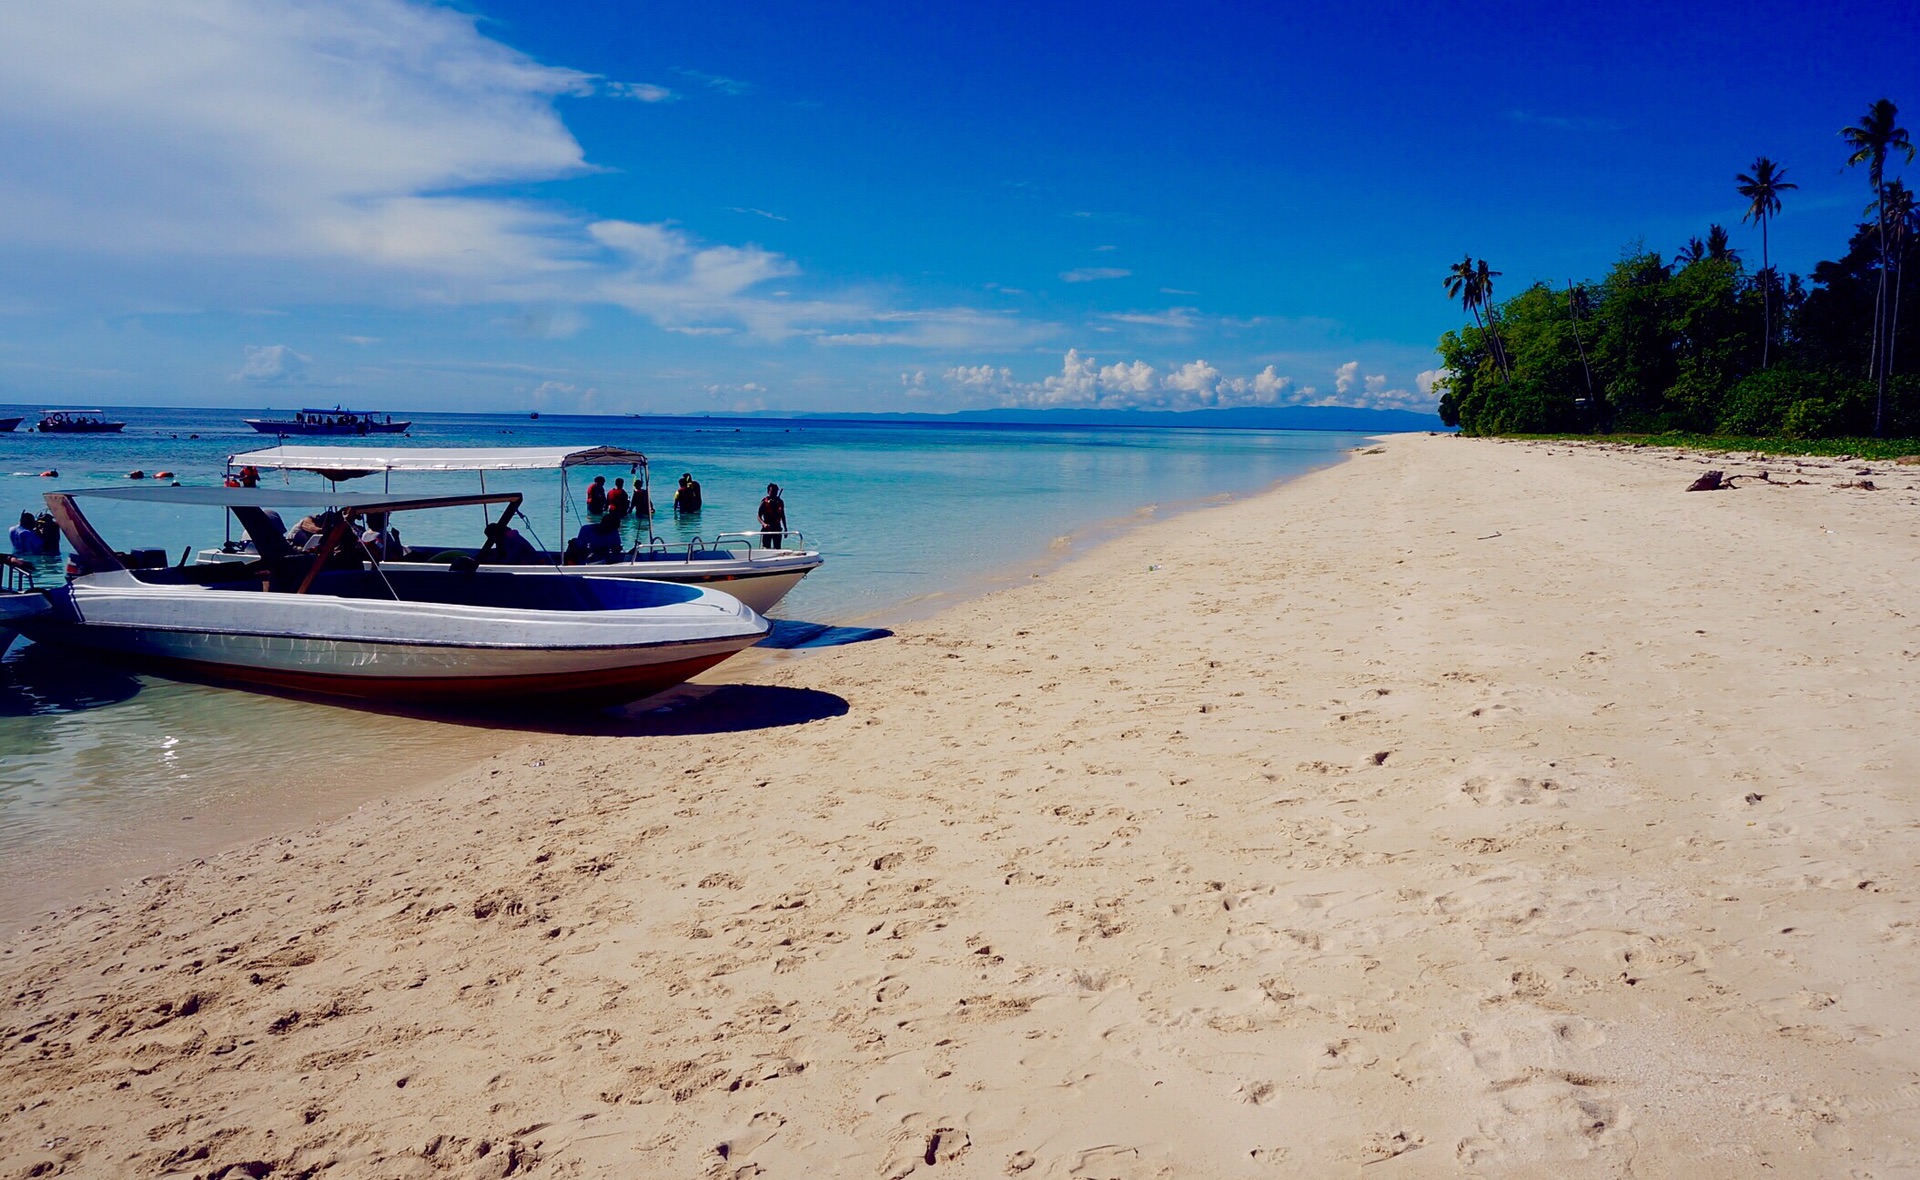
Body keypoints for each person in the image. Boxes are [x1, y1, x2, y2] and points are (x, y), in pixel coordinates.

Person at [757, 483, 787, 550]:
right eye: (772, 491)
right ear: (768, 492)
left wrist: (785, 528)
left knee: (778, 548)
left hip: (777, 528)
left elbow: (782, 516)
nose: (774, 493)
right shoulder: (764, 502)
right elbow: (759, 516)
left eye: (775, 491)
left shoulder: (780, 502)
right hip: (767, 528)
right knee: (766, 548)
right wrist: (763, 524)